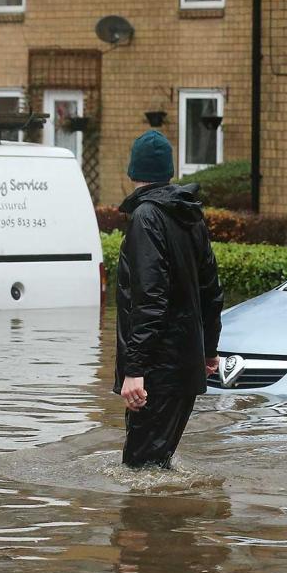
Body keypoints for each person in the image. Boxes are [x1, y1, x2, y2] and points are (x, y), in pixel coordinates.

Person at [114, 130, 224, 470]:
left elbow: (150, 298)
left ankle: (153, 523)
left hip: (156, 373)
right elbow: (212, 290)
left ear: (133, 172)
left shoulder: (146, 218)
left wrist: (134, 370)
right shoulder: (189, 216)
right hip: (184, 367)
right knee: (158, 465)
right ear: (169, 172)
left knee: (139, 472)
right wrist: (208, 350)